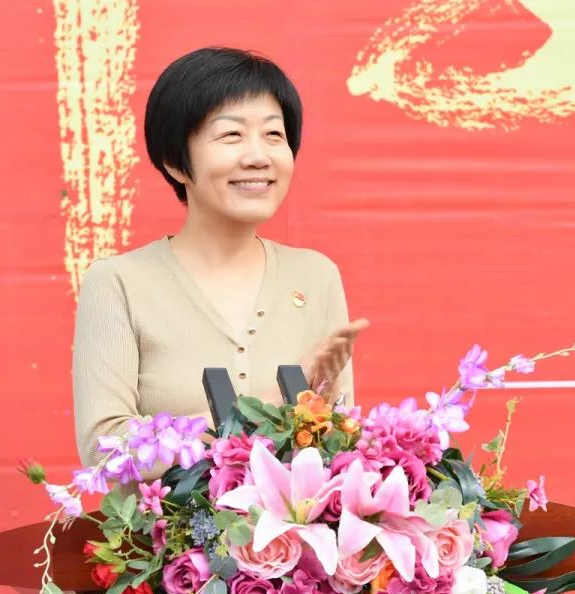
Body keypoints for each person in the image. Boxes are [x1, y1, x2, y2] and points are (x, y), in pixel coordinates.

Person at [73, 47, 369, 475]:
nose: (258, 156)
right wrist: (273, 406)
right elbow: (105, 454)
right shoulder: (119, 282)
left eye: (274, 134)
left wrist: (325, 413)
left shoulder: (315, 275)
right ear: (176, 162)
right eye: (231, 135)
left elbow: (341, 448)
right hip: (161, 522)